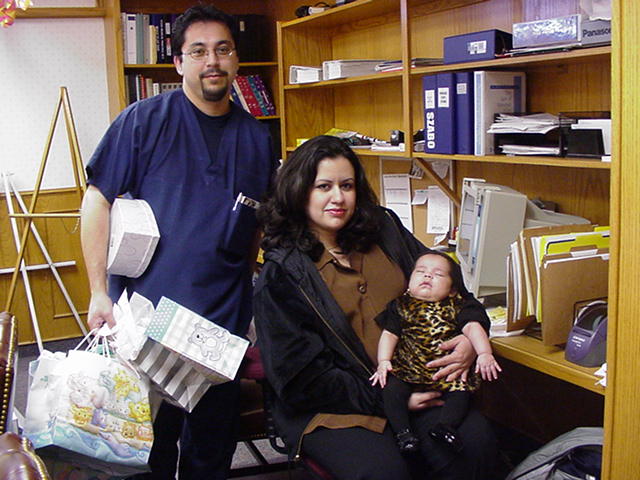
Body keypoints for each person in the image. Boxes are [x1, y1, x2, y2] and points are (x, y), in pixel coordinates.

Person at [80, 4, 277, 479]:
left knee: (210, 450)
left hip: (220, 326)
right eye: (199, 51)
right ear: (178, 62)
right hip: (147, 319)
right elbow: (97, 200)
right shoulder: (143, 121)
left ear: (236, 59)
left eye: (223, 50)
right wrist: (97, 291)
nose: (212, 61)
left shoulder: (257, 138)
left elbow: (256, 224)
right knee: (148, 448)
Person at [254, 135, 498, 480]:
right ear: (299, 191)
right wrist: (389, 400)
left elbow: (454, 287)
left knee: (474, 447)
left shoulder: (384, 229)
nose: (338, 198)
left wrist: (473, 337)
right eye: (323, 186)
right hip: (336, 408)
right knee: (386, 472)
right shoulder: (282, 274)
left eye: (347, 185)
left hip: (417, 383)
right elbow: (301, 382)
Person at [371, 251, 501, 455]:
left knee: (461, 391)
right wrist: (383, 361)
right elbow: (389, 334)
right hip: (408, 369)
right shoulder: (400, 306)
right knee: (391, 390)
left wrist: (484, 352)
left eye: (438, 274)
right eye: (420, 271)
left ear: (452, 289)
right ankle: (404, 434)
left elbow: (473, 327)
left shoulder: (457, 306)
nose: (428, 275)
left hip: (448, 371)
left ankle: (445, 426)